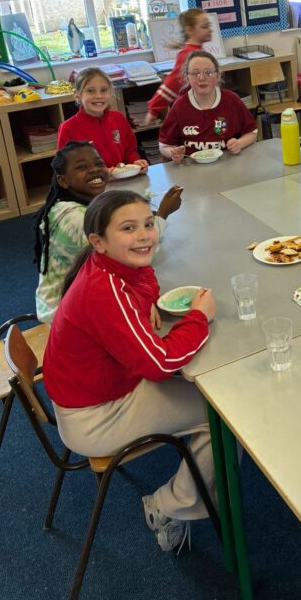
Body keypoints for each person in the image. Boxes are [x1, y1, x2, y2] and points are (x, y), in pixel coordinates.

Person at [42, 190, 216, 552]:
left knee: (205, 393)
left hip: (99, 391)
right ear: (98, 242)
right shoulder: (105, 291)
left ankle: (192, 494)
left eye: (148, 224)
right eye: (128, 228)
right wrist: (199, 317)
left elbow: (144, 282)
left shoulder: (108, 267)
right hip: (96, 417)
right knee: (221, 417)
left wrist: (146, 303)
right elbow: (159, 363)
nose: (144, 235)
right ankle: (171, 506)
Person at [34, 141, 182, 324]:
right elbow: (137, 251)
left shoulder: (68, 204)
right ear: (63, 181)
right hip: (65, 312)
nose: (94, 170)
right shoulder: (76, 218)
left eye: (99, 163)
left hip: (81, 294)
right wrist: (162, 214)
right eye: (82, 167)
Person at [158, 50, 257, 162]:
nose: (201, 78)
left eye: (208, 72)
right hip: (192, 166)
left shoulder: (232, 100)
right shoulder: (179, 107)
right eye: (195, 73)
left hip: (227, 162)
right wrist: (173, 152)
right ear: (187, 77)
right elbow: (164, 145)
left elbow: (252, 133)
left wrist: (239, 143)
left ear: (218, 75)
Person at [57, 68, 148, 174]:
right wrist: (98, 172)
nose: (98, 96)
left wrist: (136, 162)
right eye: (90, 91)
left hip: (122, 180)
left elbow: (130, 151)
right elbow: (66, 167)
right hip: (90, 182)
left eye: (104, 90)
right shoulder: (68, 128)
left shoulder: (118, 118)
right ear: (77, 95)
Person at [145, 9, 213, 125]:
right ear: (190, 30)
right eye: (204, 27)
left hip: (201, 108)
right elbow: (172, 83)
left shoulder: (198, 51)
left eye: (209, 26)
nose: (210, 30)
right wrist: (154, 110)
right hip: (191, 113)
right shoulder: (187, 55)